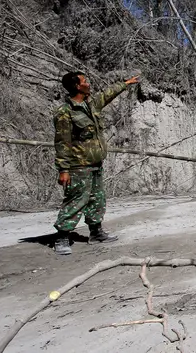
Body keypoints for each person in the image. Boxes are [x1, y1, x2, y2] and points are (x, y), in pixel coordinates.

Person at [52, 71, 141, 255]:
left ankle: (96, 233)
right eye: (85, 81)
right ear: (77, 86)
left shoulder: (90, 105)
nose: (88, 83)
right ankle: (62, 237)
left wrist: (125, 83)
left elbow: (107, 94)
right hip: (78, 166)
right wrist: (64, 169)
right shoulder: (65, 112)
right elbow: (62, 142)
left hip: (95, 164)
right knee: (76, 201)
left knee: (97, 200)